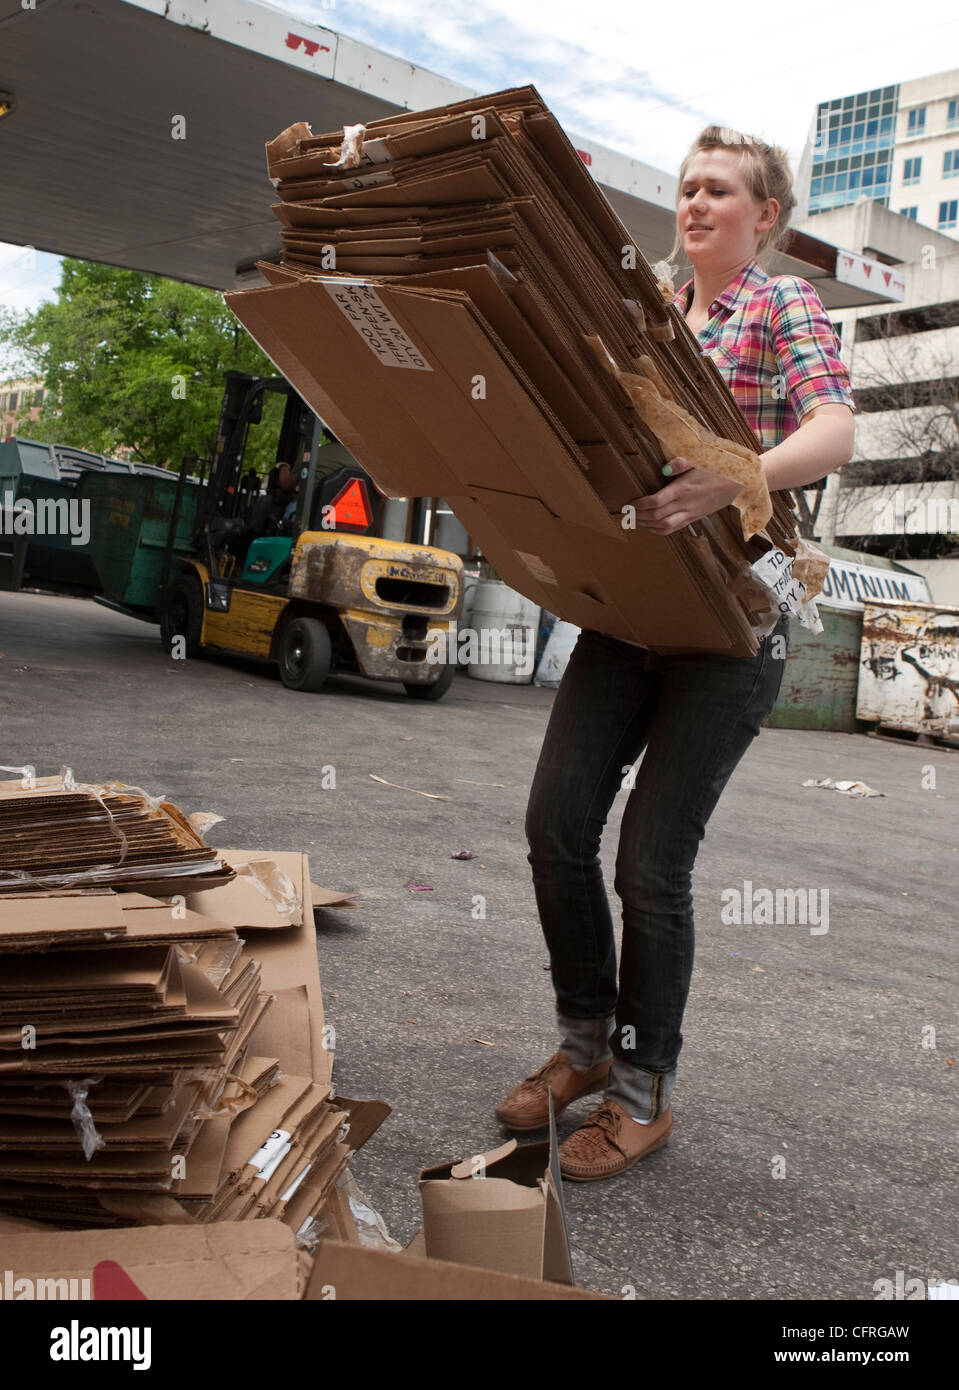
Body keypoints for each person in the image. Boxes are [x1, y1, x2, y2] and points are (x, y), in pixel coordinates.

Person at [495, 126, 856, 1182]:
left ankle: (645, 1091)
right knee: (554, 824)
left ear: (764, 218)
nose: (694, 204)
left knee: (648, 863)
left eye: (719, 191)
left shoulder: (780, 304)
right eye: (686, 188)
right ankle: (584, 1045)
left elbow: (832, 430)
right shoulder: (645, 302)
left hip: (732, 624)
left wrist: (735, 475)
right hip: (629, 610)